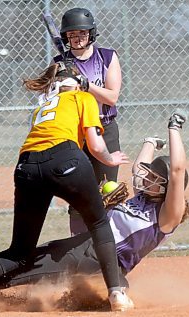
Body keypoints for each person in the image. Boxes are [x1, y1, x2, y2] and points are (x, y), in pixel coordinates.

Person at [0, 111, 189, 315]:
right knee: (28, 259)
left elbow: (177, 170)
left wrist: (173, 127)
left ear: (168, 189)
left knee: (24, 272)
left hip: (96, 260)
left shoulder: (166, 217)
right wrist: (149, 142)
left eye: (154, 178)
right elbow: (139, 167)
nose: (145, 179)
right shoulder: (144, 198)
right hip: (82, 245)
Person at [0, 61, 132, 316]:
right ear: (76, 82)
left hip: (26, 166)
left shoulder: (42, 105)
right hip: (66, 159)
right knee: (99, 225)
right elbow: (95, 146)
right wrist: (110, 159)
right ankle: (116, 293)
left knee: (19, 251)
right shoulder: (83, 97)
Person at [55, 7, 124, 235]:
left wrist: (86, 85)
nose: (77, 38)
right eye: (72, 34)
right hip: (75, 133)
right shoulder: (59, 63)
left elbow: (112, 96)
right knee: (77, 193)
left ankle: (108, 246)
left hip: (105, 129)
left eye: (82, 33)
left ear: (91, 33)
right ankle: (77, 247)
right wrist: (66, 83)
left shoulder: (107, 57)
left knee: (108, 191)